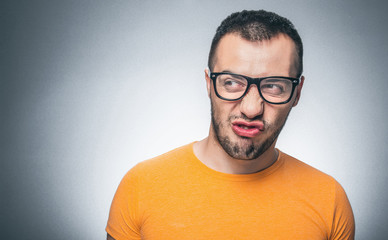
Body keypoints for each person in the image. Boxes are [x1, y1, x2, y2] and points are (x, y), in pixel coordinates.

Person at [106, 10, 355, 240]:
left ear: (297, 93)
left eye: (273, 86)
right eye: (232, 83)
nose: (251, 108)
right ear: (208, 84)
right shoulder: (141, 186)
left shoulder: (328, 199)